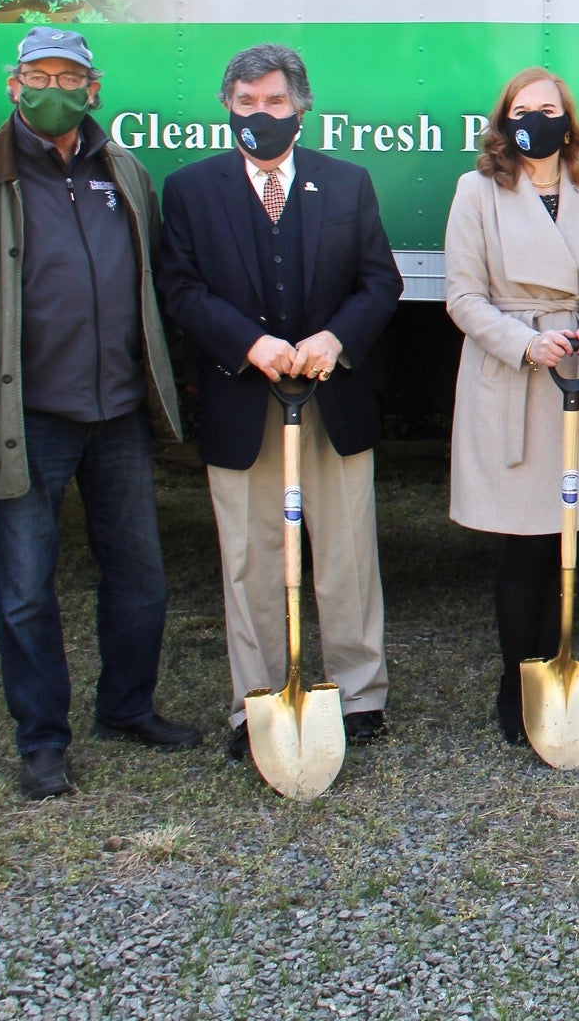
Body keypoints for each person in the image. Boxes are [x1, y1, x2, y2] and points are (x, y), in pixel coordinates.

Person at [0, 28, 200, 799]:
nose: (52, 86)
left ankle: (126, 708)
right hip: (22, 417)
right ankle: (42, 741)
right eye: (38, 73)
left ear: (94, 88)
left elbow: (151, 288)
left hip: (116, 413)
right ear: (12, 83)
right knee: (25, 587)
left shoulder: (122, 172)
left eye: (69, 74)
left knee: (141, 579)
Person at [157, 43, 403, 763]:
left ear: (301, 107)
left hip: (331, 400)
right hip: (244, 401)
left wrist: (334, 339)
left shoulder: (347, 183)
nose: (258, 115)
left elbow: (378, 282)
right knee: (251, 558)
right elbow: (180, 288)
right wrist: (247, 345)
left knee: (346, 552)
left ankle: (360, 694)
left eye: (272, 103)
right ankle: (256, 700)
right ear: (226, 107)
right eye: (244, 103)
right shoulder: (192, 191)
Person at [443, 68, 579, 746]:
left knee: (566, 541)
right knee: (521, 547)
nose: (536, 121)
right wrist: (526, 343)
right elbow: (462, 297)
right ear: (504, 119)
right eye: (523, 110)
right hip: (517, 380)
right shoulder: (477, 190)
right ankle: (515, 680)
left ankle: (559, 664)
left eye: (548, 110)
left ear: (567, 120)